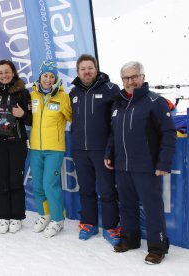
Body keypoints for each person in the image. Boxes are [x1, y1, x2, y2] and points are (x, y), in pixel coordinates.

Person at [104, 61, 176, 265]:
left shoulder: (155, 102)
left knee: (152, 208)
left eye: (134, 76)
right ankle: (130, 239)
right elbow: (113, 132)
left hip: (147, 168)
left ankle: (157, 248)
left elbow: (169, 134)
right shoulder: (118, 103)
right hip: (122, 166)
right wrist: (109, 153)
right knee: (126, 205)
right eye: (126, 78)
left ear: (143, 77)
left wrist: (163, 163)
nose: (130, 81)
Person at [69, 54, 121, 245]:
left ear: (96, 69)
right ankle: (89, 223)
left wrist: (110, 150)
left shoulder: (110, 89)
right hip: (80, 150)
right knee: (86, 189)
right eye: (83, 69)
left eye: (90, 68)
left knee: (107, 190)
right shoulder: (73, 93)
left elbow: (116, 123)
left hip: (102, 150)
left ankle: (111, 227)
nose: (87, 72)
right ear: (78, 72)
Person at [0, 60, 31, 234]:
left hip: (17, 142)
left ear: (13, 72)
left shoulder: (23, 92)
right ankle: (3, 216)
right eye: (0, 72)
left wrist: (22, 114)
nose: (4, 75)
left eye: (7, 71)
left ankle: (17, 216)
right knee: (2, 180)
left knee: (15, 180)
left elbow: (31, 119)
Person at [30, 61, 72, 238]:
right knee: (38, 185)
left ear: (56, 79)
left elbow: (73, 118)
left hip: (54, 148)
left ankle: (58, 219)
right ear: (40, 77)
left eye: (51, 76)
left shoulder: (63, 97)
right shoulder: (32, 95)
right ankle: (44, 214)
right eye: (45, 75)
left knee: (50, 184)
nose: (48, 79)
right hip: (35, 147)